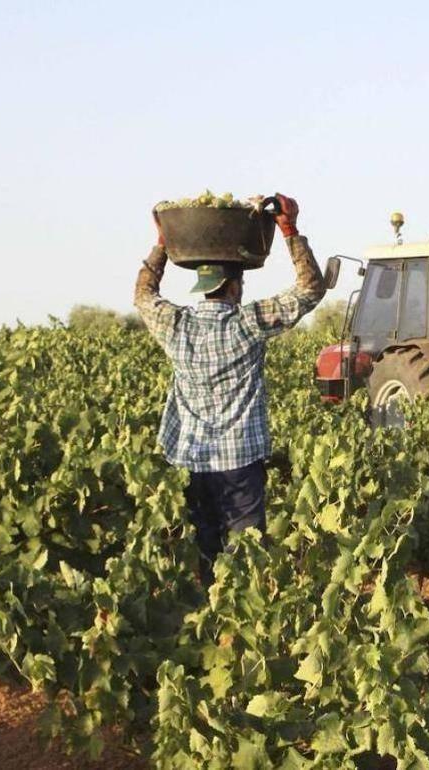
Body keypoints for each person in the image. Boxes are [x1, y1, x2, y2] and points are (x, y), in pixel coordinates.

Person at [134, 194, 325, 584]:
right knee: (247, 554)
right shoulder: (248, 323)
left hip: (192, 460)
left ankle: (211, 600)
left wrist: (162, 244)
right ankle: (242, 610)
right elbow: (310, 289)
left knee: (207, 547)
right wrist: (289, 229)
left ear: (203, 287)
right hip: (239, 462)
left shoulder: (175, 324)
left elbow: (143, 295)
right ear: (234, 287)